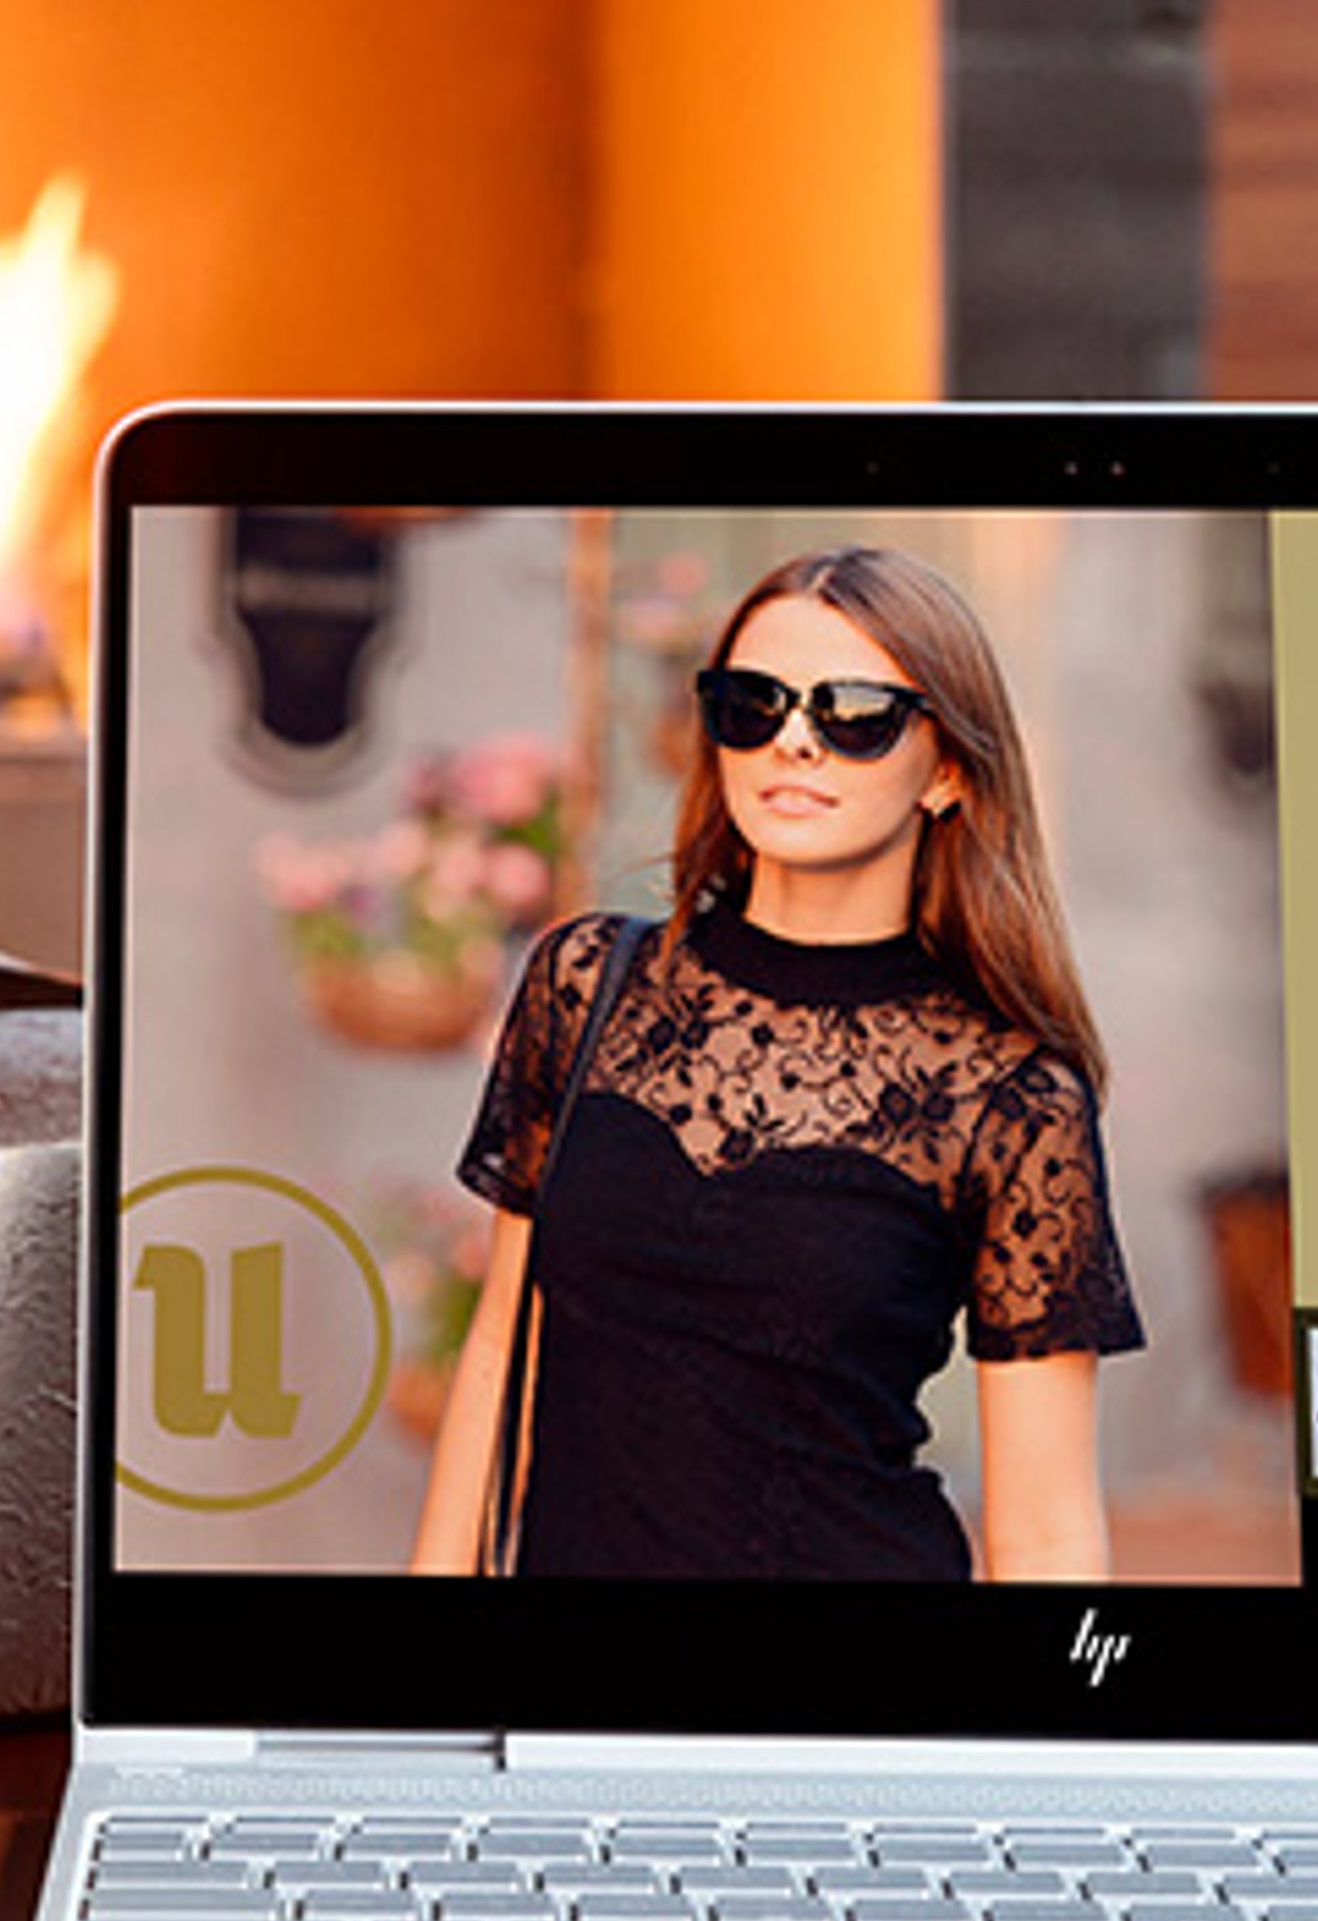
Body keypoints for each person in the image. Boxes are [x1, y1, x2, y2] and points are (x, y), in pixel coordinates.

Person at [408, 543, 1140, 1584]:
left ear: (947, 772)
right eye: (753, 705)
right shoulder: (585, 986)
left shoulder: (1010, 1100)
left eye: (854, 715)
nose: (793, 740)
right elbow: (500, 1354)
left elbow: (1048, 1533)